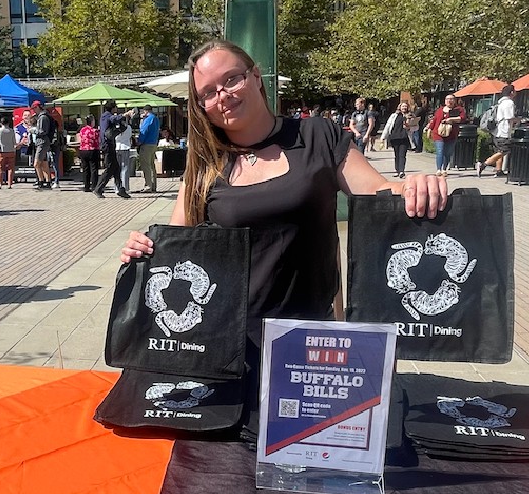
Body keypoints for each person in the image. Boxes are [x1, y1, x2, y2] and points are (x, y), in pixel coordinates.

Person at [120, 41, 448, 340]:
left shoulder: (318, 135)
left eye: (232, 79)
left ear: (256, 76)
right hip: (227, 337)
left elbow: (378, 191)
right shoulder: (206, 163)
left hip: (309, 335)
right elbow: (178, 243)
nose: (222, 95)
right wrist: (144, 248)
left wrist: (414, 185)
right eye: (208, 92)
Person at [478, 84, 516, 177]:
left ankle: (499, 170)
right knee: (504, 150)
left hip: (496, 131)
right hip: (503, 131)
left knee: (499, 150)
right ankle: (483, 165)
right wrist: (519, 120)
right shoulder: (509, 103)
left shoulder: (500, 103)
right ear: (511, 92)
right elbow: (509, 118)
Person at [94, 110, 130, 199]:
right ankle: (98, 188)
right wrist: (125, 114)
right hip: (107, 145)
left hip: (110, 144)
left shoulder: (105, 117)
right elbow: (114, 118)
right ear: (112, 108)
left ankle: (121, 189)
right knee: (110, 168)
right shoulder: (107, 116)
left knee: (116, 167)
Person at [428, 93, 467, 174]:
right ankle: (438, 169)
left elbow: (462, 118)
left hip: (451, 134)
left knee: (447, 153)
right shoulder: (439, 110)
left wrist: (451, 119)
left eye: (451, 99)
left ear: (454, 100)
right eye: (447, 99)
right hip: (438, 133)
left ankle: (444, 169)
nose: (449, 101)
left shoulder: (459, 109)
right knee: (440, 151)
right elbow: (434, 120)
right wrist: (429, 129)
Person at [381, 100, 413, 178]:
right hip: (395, 137)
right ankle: (397, 170)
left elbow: (415, 127)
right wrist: (383, 137)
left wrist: (409, 127)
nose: (404, 108)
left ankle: (402, 171)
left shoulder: (410, 116)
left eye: (405, 106)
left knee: (402, 155)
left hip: (404, 138)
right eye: (403, 106)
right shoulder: (394, 115)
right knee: (397, 155)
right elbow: (388, 126)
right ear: (400, 107)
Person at [135, 105, 160, 194]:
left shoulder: (148, 119)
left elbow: (144, 131)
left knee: (146, 165)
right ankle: (153, 185)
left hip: (146, 144)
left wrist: (139, 142)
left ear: (145, 111)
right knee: (152, 165)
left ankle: (148, 185)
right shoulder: (156, 119)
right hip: (153, 143)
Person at [31, 102, 56, 188]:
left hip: (42, 142)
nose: (34, 110)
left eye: (34, 108)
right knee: (44, 163)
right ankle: (48, 182)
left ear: (38, 107)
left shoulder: (43, 117)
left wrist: (33, 130)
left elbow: (42, 131)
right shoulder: (43, 116)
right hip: (43, 142)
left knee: (36, 164)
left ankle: (41, 182)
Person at [77, 115, 100, 192]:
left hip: (83, 150)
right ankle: (94, 186)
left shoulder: (82, 130)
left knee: (85, 169)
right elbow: (97, 141)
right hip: (92, 150)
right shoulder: (95, 131)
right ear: (92, 122)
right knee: (94, 169)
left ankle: (86, 186)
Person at [0, 116, 18, 188]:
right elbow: (14, 141)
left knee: (0, 167)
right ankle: (10, 184)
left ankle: (0, 184)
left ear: (1, 123)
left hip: (1, 150)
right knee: (11, 168)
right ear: (8, 123)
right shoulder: (11, 130)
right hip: (11, 150)